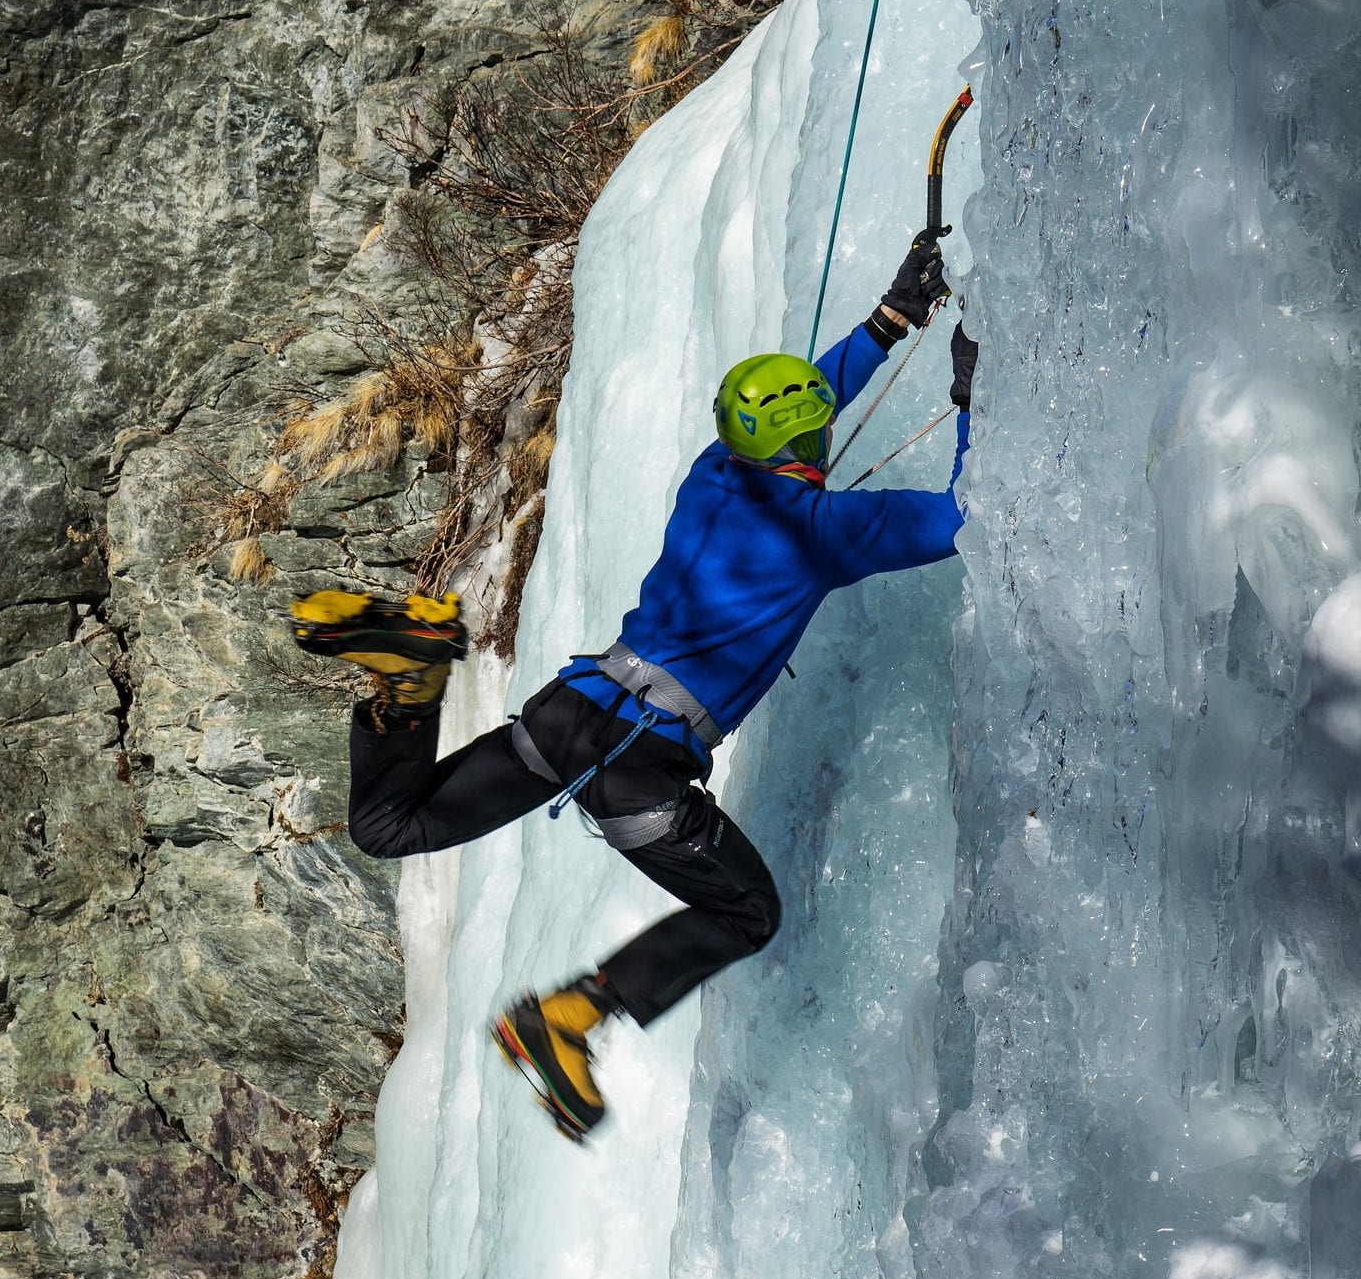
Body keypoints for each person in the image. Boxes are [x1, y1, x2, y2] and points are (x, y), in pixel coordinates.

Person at [289, 229, 978, 1142]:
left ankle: (410, 680)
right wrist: (972, 395)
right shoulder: (826, 531)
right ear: (809, 437)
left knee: (386, 827)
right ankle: (569, 1018)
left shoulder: (715, 475)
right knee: (747, 911)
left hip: (573, 711)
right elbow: (976, 512)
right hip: (636, 766)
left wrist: (888, 322)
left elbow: (790, 407)